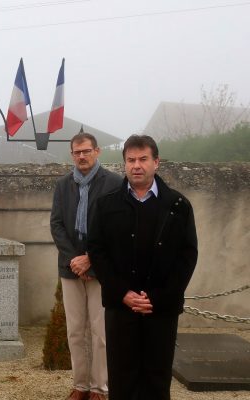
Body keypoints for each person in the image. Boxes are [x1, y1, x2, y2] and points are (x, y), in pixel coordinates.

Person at [88, 135, 198, 400]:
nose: (136, 165)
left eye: (143, 159)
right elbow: (98, 253)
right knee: (122, 379)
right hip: (121, 308)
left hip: (160, 311)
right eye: (130, 160)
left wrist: (158, 298)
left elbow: (187, 256)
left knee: (156, 379)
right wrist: (122, 293)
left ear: (156, 162)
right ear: (124, 164)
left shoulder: (178, 206)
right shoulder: (106, 205)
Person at [50, 132, 121, 400]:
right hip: (70, 268)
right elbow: (56, 224)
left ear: (97, 151)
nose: (82, 156)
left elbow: (117, 227)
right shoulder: (63, 185)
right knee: (76, 331)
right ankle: (80, 385)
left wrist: (91, 257)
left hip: (102, 267)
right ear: (72, 155)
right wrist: (75, 260)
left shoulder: (114, 183)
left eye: (86, 151)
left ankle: (99, 388)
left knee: (100, 332)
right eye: (77, 152)